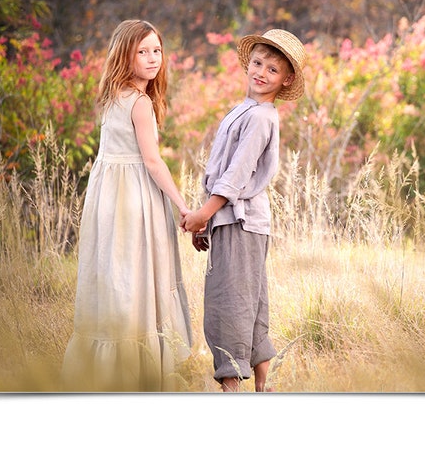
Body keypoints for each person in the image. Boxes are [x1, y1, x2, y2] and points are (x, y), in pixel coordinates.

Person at [62, 19, 192, 392]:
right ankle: (137, 370)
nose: (153, 58)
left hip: (107, 200)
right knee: (136, 277)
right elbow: (152, 162)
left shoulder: (111, 97)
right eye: (143, 51)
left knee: (116, 279)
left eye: (157, 50)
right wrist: (182, 206)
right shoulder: (139, 103)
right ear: (125, 55)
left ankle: (108, 367)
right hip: (134, 199)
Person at [182, 28, 307, 392]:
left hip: (240, 220)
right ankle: (263, 385)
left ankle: (232, 385)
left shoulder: (260, 117)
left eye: (273, 69)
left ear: (286, 80)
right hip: (237, 220)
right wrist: (208, 221)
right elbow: (223, 168)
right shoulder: (245, 110)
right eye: (257, 63)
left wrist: (204, 212)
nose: (261, 73)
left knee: (229, 301)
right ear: (248, 64)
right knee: (249, 297)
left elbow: (236, 175)